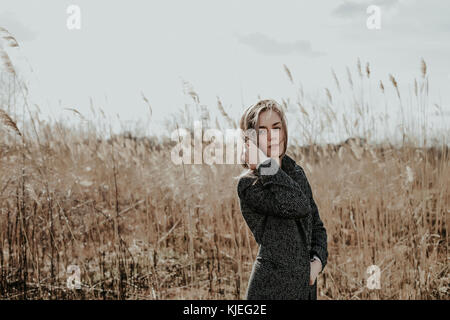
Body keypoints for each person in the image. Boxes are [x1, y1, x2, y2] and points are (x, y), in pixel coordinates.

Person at [236, 99, 328, 300]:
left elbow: (317, 227)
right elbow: (298, 205)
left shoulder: (295, 173)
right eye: (262, 131)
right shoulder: (249, 186)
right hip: (272, 288)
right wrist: (263, 163)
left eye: (276, 128)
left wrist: (316, 264)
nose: (272, 136)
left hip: (305, 286)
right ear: (250, 139)